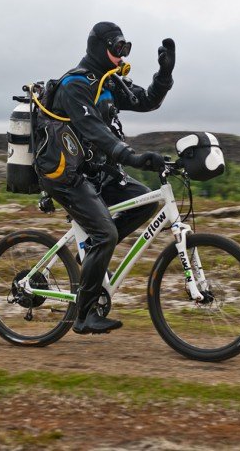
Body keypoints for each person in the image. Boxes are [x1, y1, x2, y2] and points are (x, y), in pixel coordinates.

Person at [37, 21, 176, 334]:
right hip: (65, 174)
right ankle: (84, 316)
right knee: (106, 234)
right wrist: (132, 156)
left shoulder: (108, 82)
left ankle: (90, 257)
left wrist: (164, 73)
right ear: (101, 48)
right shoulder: (76, 85)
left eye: (125, 49)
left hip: (97, 172)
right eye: (117, 49)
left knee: (144, 203)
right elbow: (95, 132)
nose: (121, 55)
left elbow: (147, 100)